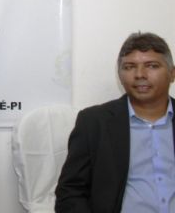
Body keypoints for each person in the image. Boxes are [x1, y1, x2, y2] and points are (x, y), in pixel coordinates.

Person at [55, 32, 175, 212]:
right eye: (129, 67)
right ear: (119, 75)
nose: (140, 74)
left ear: (172, 73)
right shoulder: (94, 123)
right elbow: (70, 192)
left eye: (151, 66)